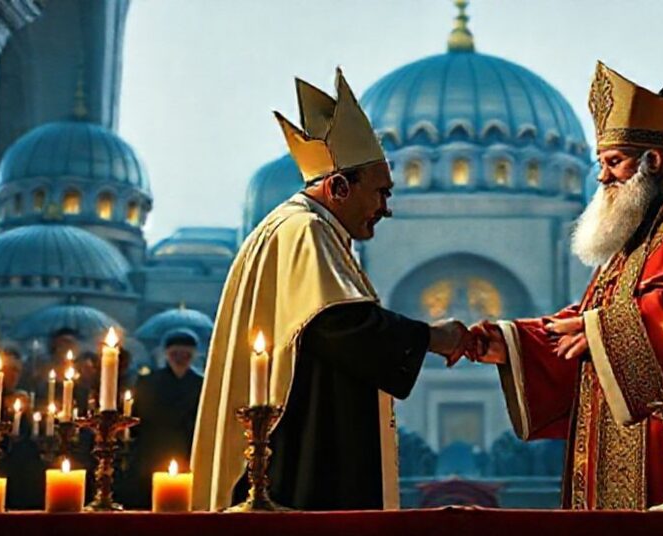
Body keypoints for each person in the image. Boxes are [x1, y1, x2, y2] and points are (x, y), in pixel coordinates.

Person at [464, 63, 663, 510]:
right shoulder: (638, 236)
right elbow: (589, 317)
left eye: (613, 163)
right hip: (616, 436)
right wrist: (515, 341)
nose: (602, 178)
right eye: (600, 164)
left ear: (652, 162)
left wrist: (600, 333)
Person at [191, 68, 472, 512]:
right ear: (339, 186)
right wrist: (434, 338)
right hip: (299, 439)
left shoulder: (306, 228)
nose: (386, 209)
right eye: (380, 193)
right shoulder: (304, 230)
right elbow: (339, 325)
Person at [125, 329, 205, 508]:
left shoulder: (202, 384)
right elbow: (137, 416)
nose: (180, 357)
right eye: (175, 353)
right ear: (166, 354)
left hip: (187, 448)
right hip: (152, 449)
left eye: (185, 353)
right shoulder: (147, 382)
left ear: (193, 355)